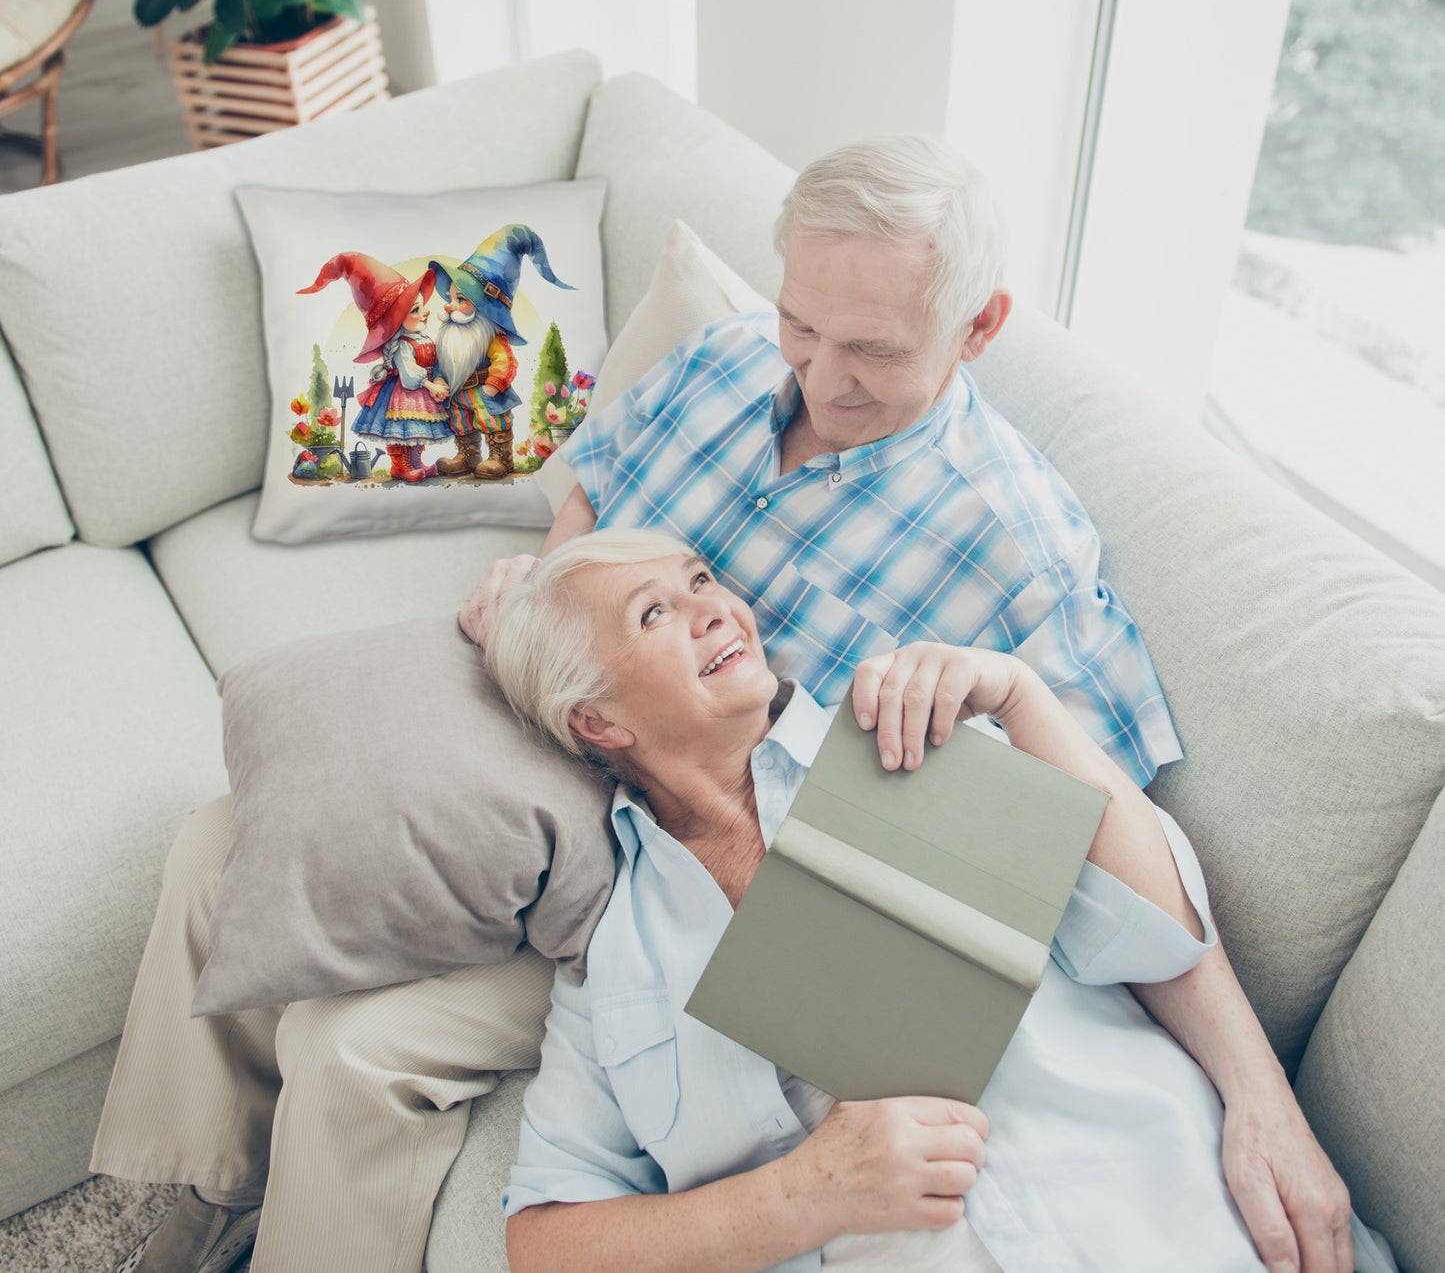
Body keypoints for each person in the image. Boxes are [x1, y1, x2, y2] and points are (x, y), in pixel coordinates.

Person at [94, 138, 1350, 1273]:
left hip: (694, 838)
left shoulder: (1017, 552)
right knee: (228, 835)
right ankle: (191, 1190)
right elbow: (592, 495)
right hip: (580, 715)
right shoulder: (724, 361)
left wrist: (1259, 1094)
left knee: (356, 1047)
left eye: (871, 348)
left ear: (976, 329)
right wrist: (546, 593)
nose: (818, 373)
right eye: (804, 323)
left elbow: (1102, 845)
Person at [487, 530, 1387, 1273]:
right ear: (597, 721)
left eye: (700, 580)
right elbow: (544, 1242)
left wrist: (1020, 696)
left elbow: (1158, 934)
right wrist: (802, 1195)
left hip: (1176, 1223)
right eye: (655, 612)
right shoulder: (615, 959)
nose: (715, 607)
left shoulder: (909, 735)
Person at [429, 223, 575, 480]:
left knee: (493, 422)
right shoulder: (450, 336)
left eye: (461, 299)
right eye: (451, 298)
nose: (450, 307)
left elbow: (504, 361)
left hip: (486, 392)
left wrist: (493, 384)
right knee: (462, 423)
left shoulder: (491, 337)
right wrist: (440, 378)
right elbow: (442, 361)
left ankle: (500, 456)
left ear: (484, 308)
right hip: (458, 393)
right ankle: (467, 454)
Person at [297, 255, 452, 484]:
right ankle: (401, 466)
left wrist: (438, 380)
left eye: (422, 307)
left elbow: (436, 363)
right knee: (400, 431)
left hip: (423, 391)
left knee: (418, 430)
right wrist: (429, 385)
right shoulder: (402, 347)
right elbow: (409, 374)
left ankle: (417, 462)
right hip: (404, 393)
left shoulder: (423, 339)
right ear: (395, 322)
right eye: (415, 310)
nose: (425, 313)